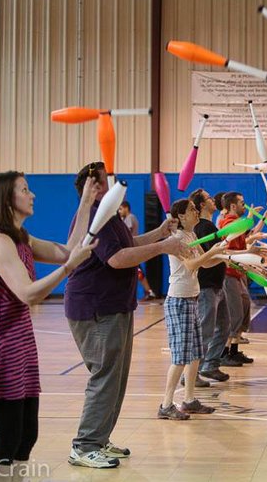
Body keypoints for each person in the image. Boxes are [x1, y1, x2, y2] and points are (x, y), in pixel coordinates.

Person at [0, 171, 99, 482]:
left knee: (27, 436)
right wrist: (68, 267)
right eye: (25, 189)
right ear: (7, 199)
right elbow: (28, 293)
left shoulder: (20, 237)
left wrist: (86, 203)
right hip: (0, 348)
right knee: (7, 440)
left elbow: (67, 249)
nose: (32, 195)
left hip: (20, 345)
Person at [65, 162, 184, 469]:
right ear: (95, 187)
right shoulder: (96, 216)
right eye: (108, 180)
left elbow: (128, 245)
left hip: (115, 306)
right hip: (96, 308)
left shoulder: (111, 216)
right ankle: (85, 445)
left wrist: (158, 234)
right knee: (105, 375)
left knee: (115, 378)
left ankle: (99, 438)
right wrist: (163, 246)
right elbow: (117, 259)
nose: (115, 183)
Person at [158, 199, 226, 420]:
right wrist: (213, 251)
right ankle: (166, 405)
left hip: (192, 299)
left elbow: (205, 263)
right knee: (179, 357)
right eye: (191, 210)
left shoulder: (192, 236)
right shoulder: (176, 239)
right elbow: (191, 265)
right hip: (178, 301)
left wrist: (227, 256)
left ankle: (188, 400)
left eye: (196, 209)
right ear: (180, 217)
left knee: (195, 354)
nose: (196, 212)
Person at [188, 188, 231, 382]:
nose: (214, 200)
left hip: (217, 284)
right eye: (209, 198)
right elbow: (205, 259)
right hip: (206, 286)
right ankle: (192, 374)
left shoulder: (211, 227)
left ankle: (210, 365)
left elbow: (218, 255)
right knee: (205, 331)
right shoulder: (203, 228)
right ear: (202, 205)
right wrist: (224, 258)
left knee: (223, 326)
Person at [218, 192, 256, 366]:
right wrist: (248, 255)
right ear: (233, 206)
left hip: (237, 273)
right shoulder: (229, 224)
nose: (244, 204)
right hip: (228, 273)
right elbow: (229, 252)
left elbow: (248, 234)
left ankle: (234, 350)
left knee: (245, 307)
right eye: (242, 202)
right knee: (234, 313)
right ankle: (224, 353)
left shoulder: (238, 224)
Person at [117, 201, 158, 302]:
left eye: (121, 209)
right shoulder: (127, 218)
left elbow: (126, 231)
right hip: (130, 248)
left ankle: (149, 291)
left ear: (126, 208)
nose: (119, 211)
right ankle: (149, 291)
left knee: (137, 271)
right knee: (137, 271)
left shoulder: (129, 218)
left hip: (131, 248)